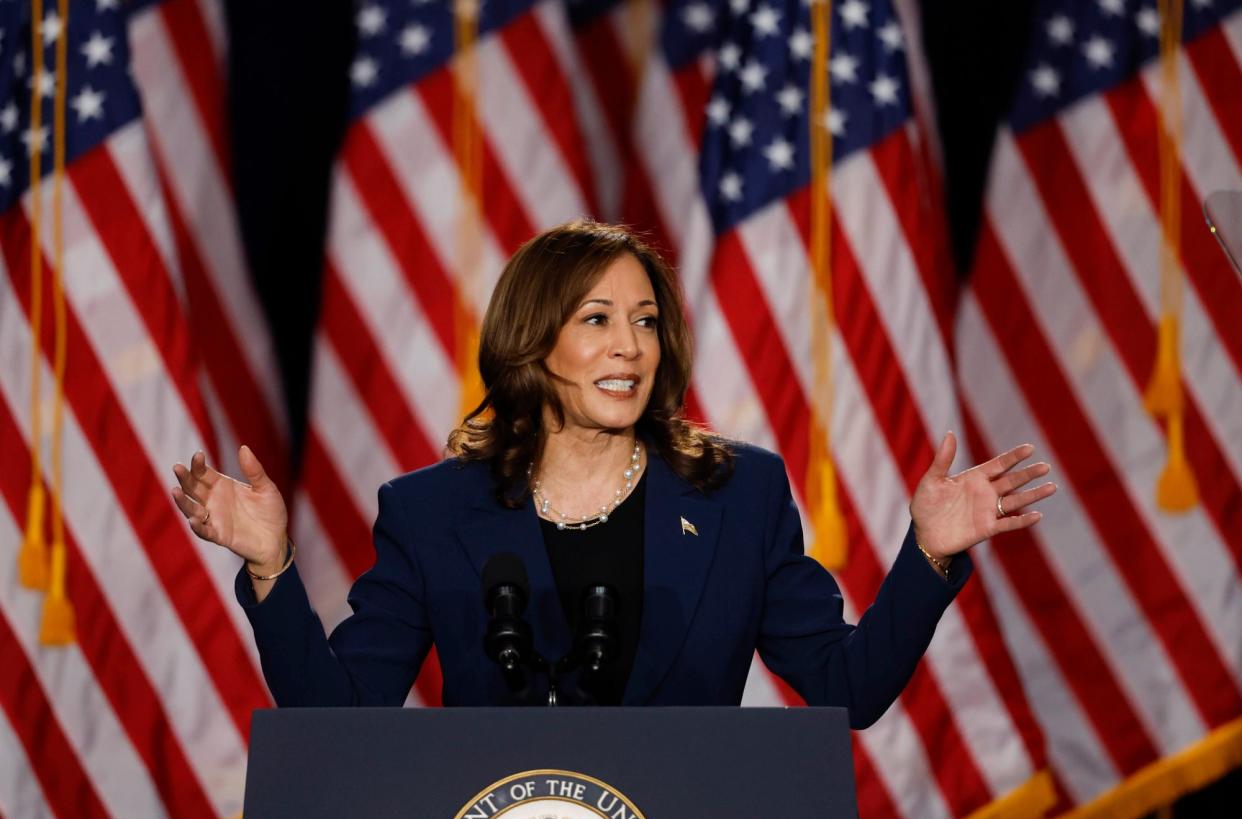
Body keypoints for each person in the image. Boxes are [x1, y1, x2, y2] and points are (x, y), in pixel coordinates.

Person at [171, 220, 1055, 726]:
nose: (629, 346)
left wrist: (928, 556)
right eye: (596, 319)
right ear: (534, 340)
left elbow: (846, 691)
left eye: (644, 319)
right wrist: (271, 570)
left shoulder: (740, 495)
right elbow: (345, 722)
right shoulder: (431, 511)